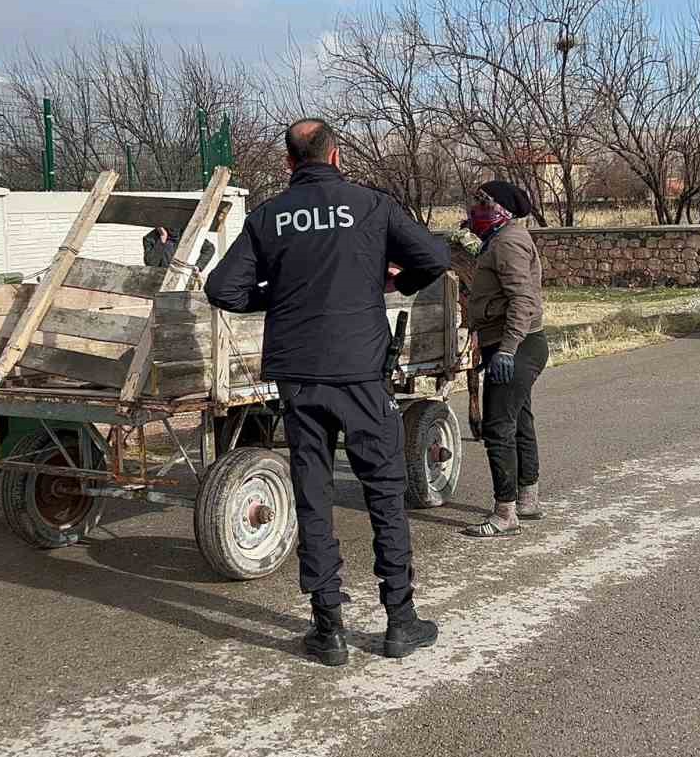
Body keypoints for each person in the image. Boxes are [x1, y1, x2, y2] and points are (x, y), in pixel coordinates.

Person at [204, 118, 450, 666]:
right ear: (335, 156)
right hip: (361, 372)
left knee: (313, 495)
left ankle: (329, 629)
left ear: (289, 162)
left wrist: (280, 297)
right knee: (384, 491)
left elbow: (222, 288)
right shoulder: (371, 205)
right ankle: (399, 621)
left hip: (299, 377)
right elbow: (435, 258)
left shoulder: (269, 216)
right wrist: (394, 283)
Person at [461, 180, 549, 539]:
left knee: (498, 428)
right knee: (520, 420)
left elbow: (522, 300)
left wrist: (508, 349)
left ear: (502, 210)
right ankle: (528, 498)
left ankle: (505, 513)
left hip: (518, 346)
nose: (475, 212)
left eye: (482, 206)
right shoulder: (500, 239)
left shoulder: (509, 241)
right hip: (519, 343)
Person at [141, 226, 216, 272]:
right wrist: (162, 239)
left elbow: (209, 248)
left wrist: (198, 266)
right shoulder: (150, 238)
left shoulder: (187, 233)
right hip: (159, 280)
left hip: (182, 278)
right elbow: (151, 263)